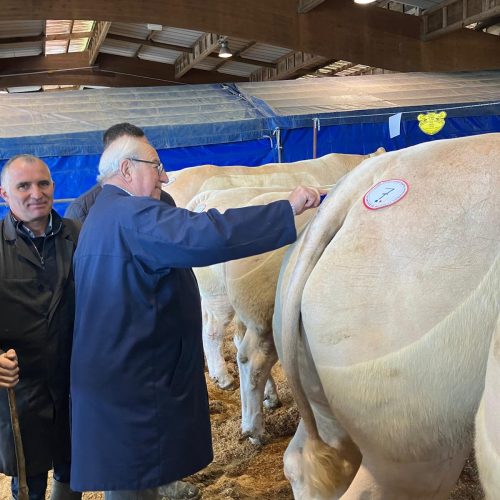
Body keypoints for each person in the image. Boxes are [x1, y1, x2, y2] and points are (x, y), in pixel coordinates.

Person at [69, 135, 322, 499]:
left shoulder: (103, 216)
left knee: (131, 482)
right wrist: (285, 209)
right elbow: (205, 234)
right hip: (134, 386)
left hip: (118, 379)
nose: (165, 177)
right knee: (133, 486)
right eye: (156, 167)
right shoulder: (132, 216)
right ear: (126, 169)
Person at [0, 155, 81, 500]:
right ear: (4, 194)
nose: (37, 193)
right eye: (24, 186)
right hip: (21, 391)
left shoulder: (79, 236)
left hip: (75, 384)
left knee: (73, 471)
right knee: (29, 482)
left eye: (43, 183)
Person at [64, 123, 175, 223]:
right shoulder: (82, 211)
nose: (165, 178)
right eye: (135, 152)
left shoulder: (164, 200)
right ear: (125, 167)